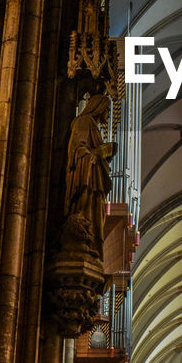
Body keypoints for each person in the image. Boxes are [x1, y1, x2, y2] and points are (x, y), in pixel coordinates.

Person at [64, 92, 115, 251]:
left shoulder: (93, 126)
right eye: (107, 109)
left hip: (96, 177)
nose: (108, 113)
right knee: (86, 205)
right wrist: (99, 152)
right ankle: (83, 233)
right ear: (98, 108)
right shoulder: (84, 121)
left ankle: (93, 243)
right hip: (87, 175)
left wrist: (103, 154)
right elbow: (79, 150)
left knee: (96, 212)